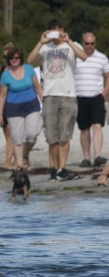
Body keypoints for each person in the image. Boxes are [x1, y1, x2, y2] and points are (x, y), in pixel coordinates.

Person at [27, 19, 88, 181]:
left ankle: (63, 168)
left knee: (65, 135)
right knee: (52, 137)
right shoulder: (45, 47)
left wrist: (68, 40)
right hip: (49, 95)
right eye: (52, 31)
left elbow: (84, 57)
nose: (56, 34)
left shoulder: (72, 45)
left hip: (68, 95)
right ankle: (54, 168)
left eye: (58, 30)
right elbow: (29, 61)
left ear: (63, 30)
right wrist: (40, 42)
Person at [0, 48, 44, 170]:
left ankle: (25, 153)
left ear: (20, 58)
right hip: (13, 108)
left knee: (32, 134)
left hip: (31, 105)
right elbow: (2, 96)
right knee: (17, 137)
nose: (14, 60)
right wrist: (0, 114)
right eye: (12, 58)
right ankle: (19, 164)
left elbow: (38, 87)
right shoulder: (5, 75)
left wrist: (44, 100)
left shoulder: (29, 69)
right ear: (8, 60)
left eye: (16, 58)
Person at [74, 32, 109, 168]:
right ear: (83, 43)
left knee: (97, 126)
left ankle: (98, 156)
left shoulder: (102, 58)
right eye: (87, 43)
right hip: (80, 97)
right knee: (84, 129)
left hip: (96, 97)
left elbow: (108, 75)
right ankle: (86, 158)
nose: (89, 46)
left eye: (92, 43)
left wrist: (104, 93)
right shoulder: (76, 57)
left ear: (96, 43)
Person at [0, 42, 18, 169]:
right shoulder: (2, 70)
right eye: (4, 57)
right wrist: (4, 84)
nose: (7, 60)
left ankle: (12, 159)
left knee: (15, 134)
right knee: (9, 134)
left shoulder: (20, 69)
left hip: (16, 104)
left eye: (8, 57)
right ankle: (10, 159)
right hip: (3, 104)